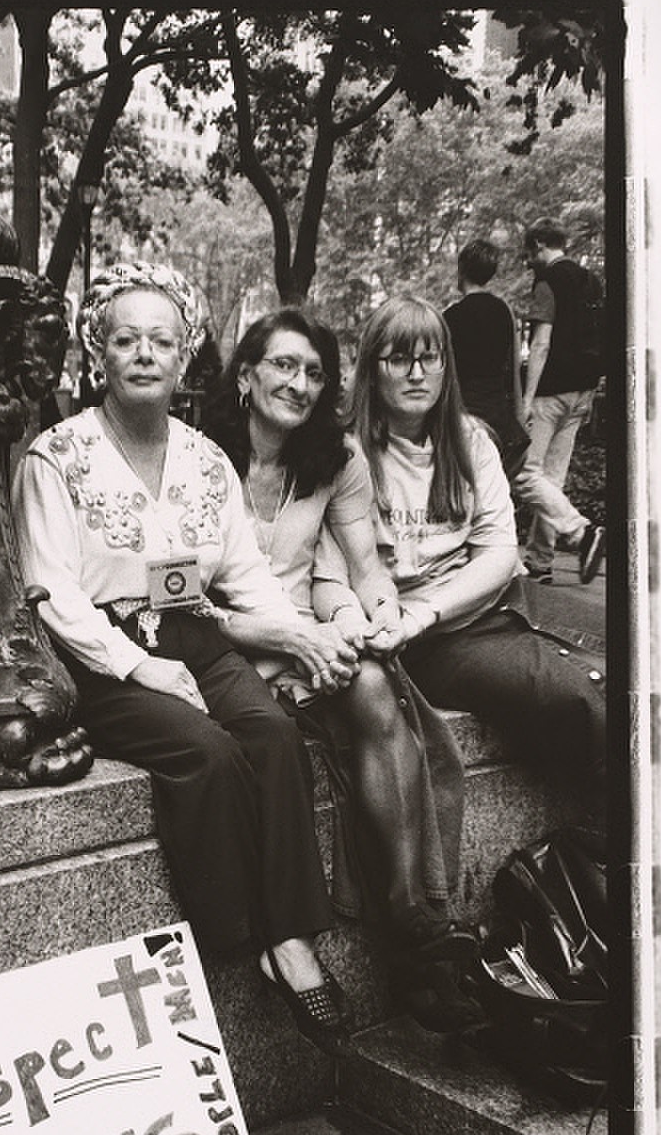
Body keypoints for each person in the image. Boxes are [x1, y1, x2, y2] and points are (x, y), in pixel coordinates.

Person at [11, 262, 362, 1054]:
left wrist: (300, 636)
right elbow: (51, 592)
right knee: (207, 754)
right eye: (125, 339)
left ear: (185, 355)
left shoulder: (208, 461)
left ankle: (293, 941)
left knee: (272, 735)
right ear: (97, 352)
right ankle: (238, 941)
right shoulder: (55, 456)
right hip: (101, 658)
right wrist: (140, 668)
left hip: (194, 637)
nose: (144, 353)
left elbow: (243, 577)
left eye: (161, 341)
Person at [205, 309, 484, 1034]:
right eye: (284, 366)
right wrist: (297, 640)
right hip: (221, 646)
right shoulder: (198, 457)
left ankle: (411, 915)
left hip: (309, 639)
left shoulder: (337, 459)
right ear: (246, 374)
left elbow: (366, 570)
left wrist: (378, 620)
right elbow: (176, 605)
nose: (299, 385)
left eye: (315, 372)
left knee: (374, 686)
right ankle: (409, 927)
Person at [343, 295, 605, 803]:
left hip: (491, 607)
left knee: (633, 656)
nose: (417, 373)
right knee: (576, 696)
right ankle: (610, 841)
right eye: (399, 359)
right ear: (373, 369)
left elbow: (499, 553)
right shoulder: (348, 452)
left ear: (447, 365)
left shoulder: (471, 441)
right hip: (426, 644)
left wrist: (428, 611)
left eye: (430, 357)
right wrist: (412, 619)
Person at [445, 237, 600, 580]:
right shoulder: (505, 314)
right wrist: (518, 413)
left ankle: (488, 565)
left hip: (466, 417)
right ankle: (564, 540)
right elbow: (514, 367)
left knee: (473, 491)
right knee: (516, 481)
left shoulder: (449, 318)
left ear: (461, 270)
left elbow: (447, 376)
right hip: (500, 417)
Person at [520, 219, 606, 584]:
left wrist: (526, 398)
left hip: (550, 392)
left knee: (525, 474)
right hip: (583, 391)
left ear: (539, 244)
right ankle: (540, 562)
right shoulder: (591, 281)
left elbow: (540, 344)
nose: (527, 260)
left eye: (528, 252)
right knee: (552, 479)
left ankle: (582, 532)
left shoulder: (548, 281)